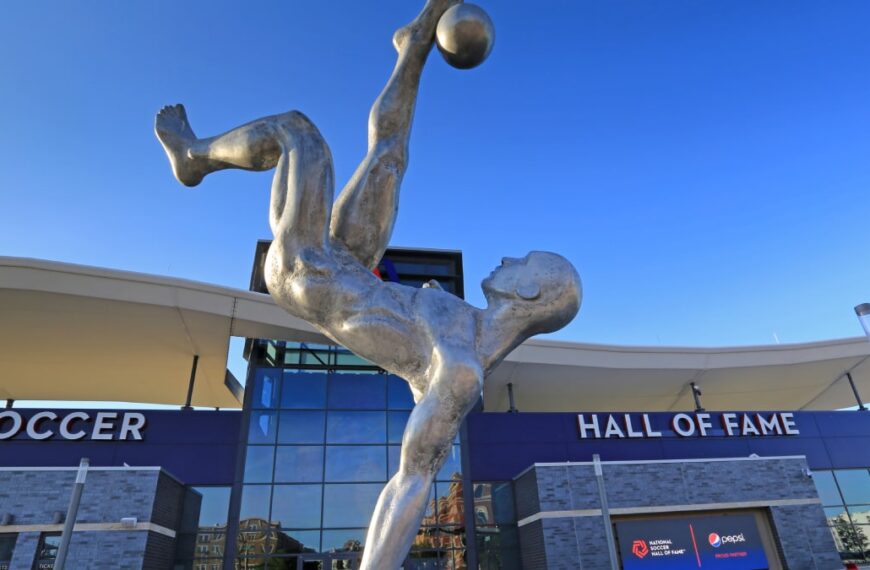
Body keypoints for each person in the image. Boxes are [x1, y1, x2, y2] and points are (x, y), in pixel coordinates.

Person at [155, 1, 581, 567]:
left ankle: (194, 157)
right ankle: (415, 47)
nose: (508, 257)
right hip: (349, 263)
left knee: (297, 131)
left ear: (530, 295)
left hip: (312, 272)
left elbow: (410, 483)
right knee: (390, 154)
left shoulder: (459, 370)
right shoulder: (463, 323)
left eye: (524, 261)